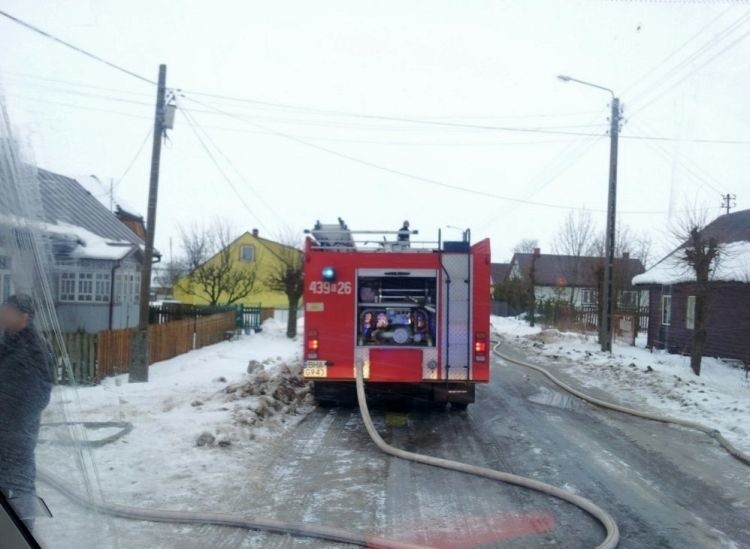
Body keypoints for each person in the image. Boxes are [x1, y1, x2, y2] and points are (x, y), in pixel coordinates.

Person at [0, 294, 53, 529]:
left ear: (24, 316)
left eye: (7, 310)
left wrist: (13, 424)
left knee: (19, 487)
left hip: (16, 434)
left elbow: (40, 392)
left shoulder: (33, 348)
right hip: (6, 431)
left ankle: (23, 533)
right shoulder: (9, 341)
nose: (2, 314)